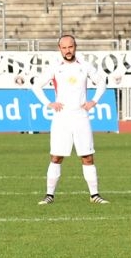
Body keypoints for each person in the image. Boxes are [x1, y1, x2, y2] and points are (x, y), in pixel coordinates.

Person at [33, 35, 108, 206]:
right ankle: (49, 195)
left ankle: (94, 195)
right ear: (59, 49)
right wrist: (49, 103)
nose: (68, 50)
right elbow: (36, 85)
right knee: (56, 157)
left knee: (87, 157)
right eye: (64, 47)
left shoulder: (84, 66)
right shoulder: (55, 67)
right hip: (62, 118)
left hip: (81, 117)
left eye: (70, 47)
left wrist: (94, 101)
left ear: (75, 47)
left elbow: (101, 82)